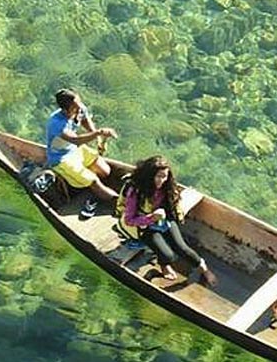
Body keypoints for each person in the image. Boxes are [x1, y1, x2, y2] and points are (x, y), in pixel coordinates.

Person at [118, 155, 216, 285]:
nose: (162, 180)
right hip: (142, 226)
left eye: (164, 176)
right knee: (168, 255)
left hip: (163, 221)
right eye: (158, 176)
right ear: (149, 175)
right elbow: (129, 219)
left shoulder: (166, 186)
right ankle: (164, 265)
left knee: (182, 248)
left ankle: (203, 268)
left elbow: (172, 205)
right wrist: (150, 218)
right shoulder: (136, 191)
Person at [46, 88, 118, 216]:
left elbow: (85, 120)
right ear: (65, 109)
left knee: (105, 172)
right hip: (61, 158)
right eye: (75, 106)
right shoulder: (56, 123)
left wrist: (99, 139)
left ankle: (89, 186)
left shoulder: (79, 108)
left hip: (75, 150)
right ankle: (118, 203)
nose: (80, 108)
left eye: (79, 103)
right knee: (94, 181)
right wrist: (99, 132)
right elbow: (76, 140)